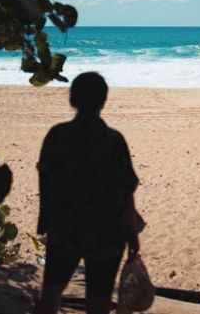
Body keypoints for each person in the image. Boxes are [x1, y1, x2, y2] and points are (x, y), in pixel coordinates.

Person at [34, 72, 143, 314]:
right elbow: (126, 191)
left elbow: (46, 182)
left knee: (51, 291)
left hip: (64, 225)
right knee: (100, 299)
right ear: (103, 101)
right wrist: (132, 234)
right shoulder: (113, 140)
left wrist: (46, 221)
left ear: (72, 99)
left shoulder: (57, 135)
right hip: (107, 230)